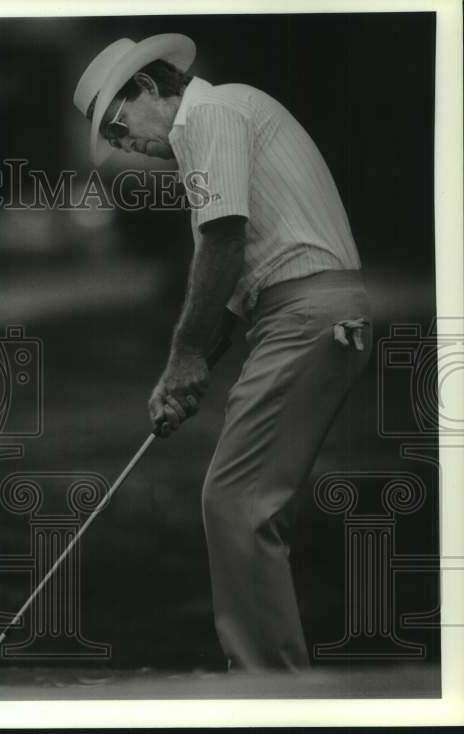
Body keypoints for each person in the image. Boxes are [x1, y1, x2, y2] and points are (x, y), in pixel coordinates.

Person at [73, 34, 372, 671]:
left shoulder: (210, 115)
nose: (129, 149)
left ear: (149, 88)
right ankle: (270, 679)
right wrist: (193, 370)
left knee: (235, 500)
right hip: (302, 315)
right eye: (116, 143)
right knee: (247, 502)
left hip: (309, 313)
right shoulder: (216, 128)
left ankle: (269, 689)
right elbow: (237, 285)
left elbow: (223, 242)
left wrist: (183, 354)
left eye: (120, 128)